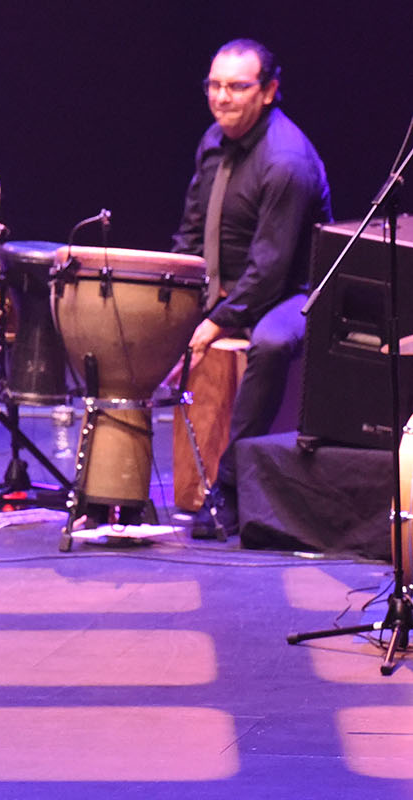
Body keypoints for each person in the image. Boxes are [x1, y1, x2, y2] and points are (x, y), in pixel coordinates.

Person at [171, 39, 331, 538]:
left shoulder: (285, 161)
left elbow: (271, 270)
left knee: (271, 340)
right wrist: (171, 295)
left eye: (237, 87)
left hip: (295, 292)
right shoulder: (213, 141)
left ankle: (233, 487)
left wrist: (216, 321)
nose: (222, 97)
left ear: (268, 91)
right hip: (234, 289)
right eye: (214, 85)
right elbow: (191, 232)